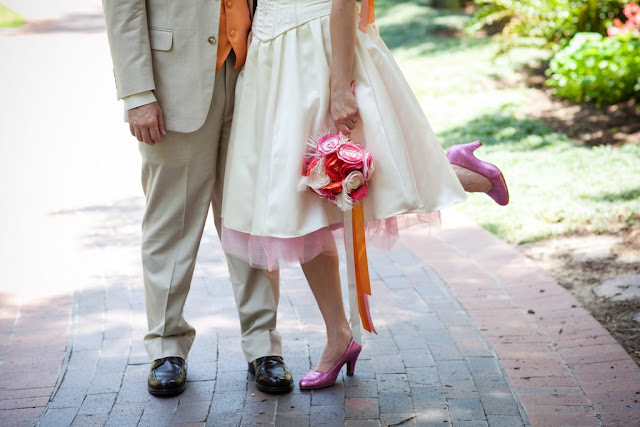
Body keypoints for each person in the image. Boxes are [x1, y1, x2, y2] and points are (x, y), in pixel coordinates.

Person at [220, 0, 509, 389]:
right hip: (272, 54)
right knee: (303, 204)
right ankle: (339, 334)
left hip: (316, 47)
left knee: (362, 177)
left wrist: (340, 85)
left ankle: (463, 173)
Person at [102, 0, 294, 396]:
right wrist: (138, 92)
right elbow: (123, 8)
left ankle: (263, 346)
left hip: (250, 76)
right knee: (171, 224)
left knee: (251, 218)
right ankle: (166, 347)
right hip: (175, 84)